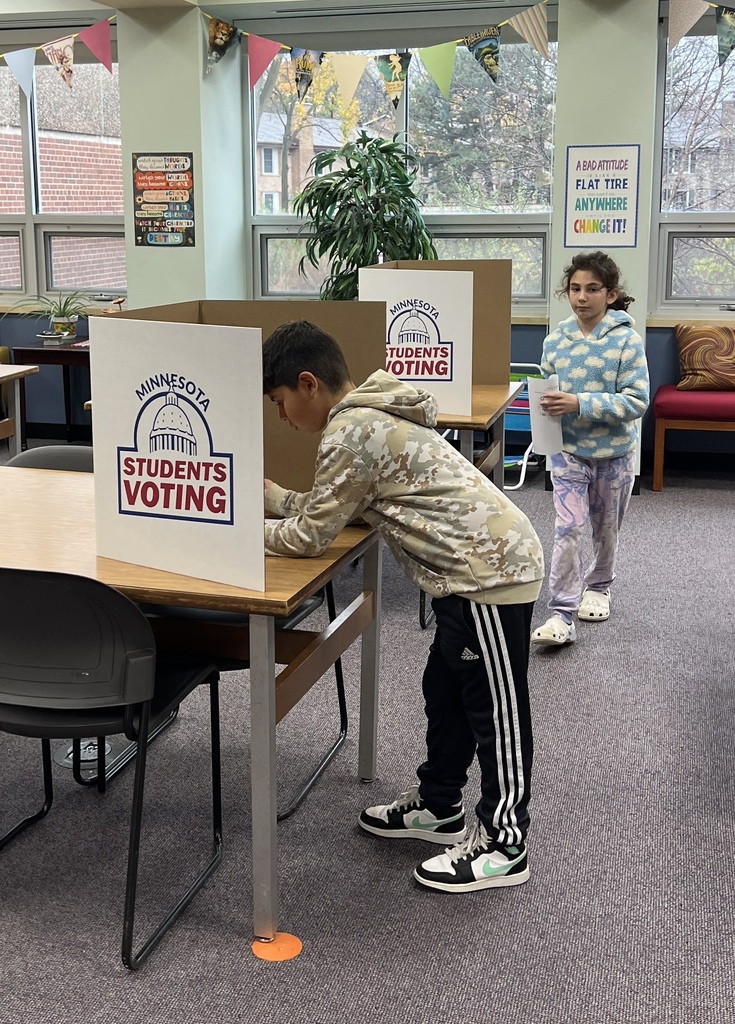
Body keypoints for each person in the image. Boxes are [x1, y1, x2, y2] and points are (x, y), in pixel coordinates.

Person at [262, 320, 544, 893]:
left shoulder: (350, 431)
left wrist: (242, 529)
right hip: (464, 570)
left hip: (485, 572)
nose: (282, 417)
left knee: (494, 710)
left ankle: (505, 841)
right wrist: (276, 500)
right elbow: (344, 507)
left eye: (279, 402)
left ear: (307, 384)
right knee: (445, 693)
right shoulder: (366, 419)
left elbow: (311, 535)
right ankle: (440, 806)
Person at [531, 251, 650, 648]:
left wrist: (580, 402)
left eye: (592, 289)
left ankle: (599, 585)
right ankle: (561, 612)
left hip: (614, 455)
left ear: (611, 294)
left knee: (606, 529)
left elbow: (636, 401)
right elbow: (548, 398)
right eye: (575, 289)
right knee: (568, 528)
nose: (582, 297)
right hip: (566, 453)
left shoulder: (626, 342)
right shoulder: (554, 342)